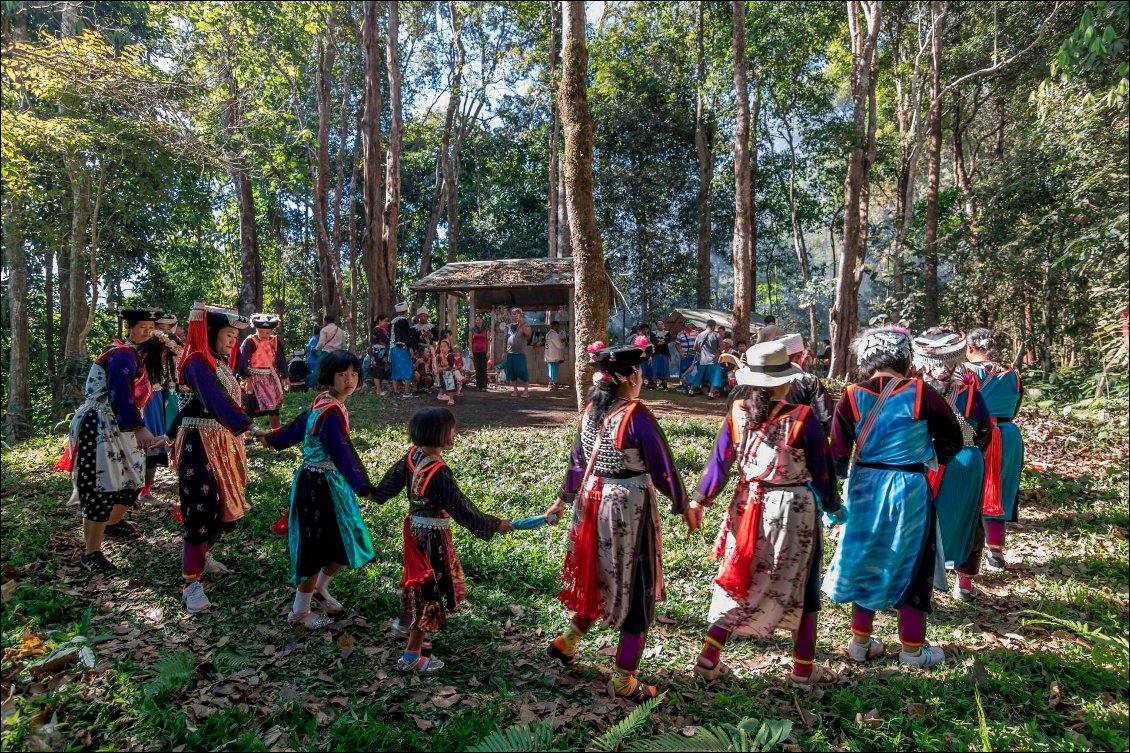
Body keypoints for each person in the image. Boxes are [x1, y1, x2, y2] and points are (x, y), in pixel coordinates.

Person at [542, 340, 698, 702]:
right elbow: (663, 467)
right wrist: (683, 504)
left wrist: (563, 499)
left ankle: (567, 642)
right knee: (636, 586)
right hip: (627, 509)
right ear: (629, 377)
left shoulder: (591, 412)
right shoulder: (635, 414)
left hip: (591, 502)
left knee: (598, 576)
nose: (641, 379)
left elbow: (578, 462)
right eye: (639, 373)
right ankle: (625, 680)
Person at [693, 342, 842, 687]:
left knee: (739, 578)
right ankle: (803, 672)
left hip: (747, 507)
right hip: (794, 511)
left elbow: (720, 462)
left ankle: (708, 658)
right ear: (786, 381)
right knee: (802, 587)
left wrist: (701, 499)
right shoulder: (803, 419)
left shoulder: (738, 412)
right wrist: (833, 505)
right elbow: (822, 472)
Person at [821, 327, 963, 668]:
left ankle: (860, 643)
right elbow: (953, 439)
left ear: (865, 360)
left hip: (864, 486)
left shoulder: (852, 396)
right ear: (904, 358)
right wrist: (928, 459)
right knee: (913, 562)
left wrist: (833, 499)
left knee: (866, 559)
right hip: (909, 488)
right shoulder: (921, 392)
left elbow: (838, 456)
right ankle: (913, 651)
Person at [371, 407, 516, 673]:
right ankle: (411, 657)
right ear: (439, 434)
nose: (454, 434)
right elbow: (461, 508)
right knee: (430, 591)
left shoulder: (413, 456)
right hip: (432, 538)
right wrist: (494, 524)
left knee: (419, 585)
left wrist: (373, 494)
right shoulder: (437, 471)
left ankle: (406, 623)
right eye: (451, 429)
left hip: (415, 532)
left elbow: (388, 485)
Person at [261, 350, 377, 630]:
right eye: (341, 374)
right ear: (329, 377)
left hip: (329, 484)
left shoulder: (325, 403)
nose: (349, 379)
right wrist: (364, 486)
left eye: (353, 373)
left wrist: (273, 439)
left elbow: (299, 427)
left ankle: (320, 589)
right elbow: (342, 451)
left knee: (344, 539)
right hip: (318, 485)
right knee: (314, 546)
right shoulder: (329, 411)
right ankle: (299, 613)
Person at [172, 302, 266, 613]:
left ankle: (203, 554)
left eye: (233, 336)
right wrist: (248, 425)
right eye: (227, 334)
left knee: (227, 507)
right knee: (201, 506)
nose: (231, 341)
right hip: (199, 443)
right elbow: (212, 400)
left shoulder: (216, 362)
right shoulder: (197, 362)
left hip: (223, 441)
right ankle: (191, 584)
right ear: (211, 332)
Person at [68, 307, 163, 573]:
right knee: (101, 484)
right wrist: (139, 427)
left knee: (131, 479)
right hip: (100, 424)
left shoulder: (136, 355)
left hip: (118, 425)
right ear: (129, 328)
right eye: (141, 326)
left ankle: (112, 523)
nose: (147, 331)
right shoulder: (122, 354)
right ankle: (91, 552)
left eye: (150, 326)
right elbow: (121, 394)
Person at [913, 329, 992, 601]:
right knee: (969, 521)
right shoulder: (968, 392)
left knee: (919, 522)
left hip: (924, 460)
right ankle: (965, 583)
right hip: (965, 459)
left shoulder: (912, 390)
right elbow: (984, 431)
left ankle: (919, 583)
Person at [966, 328, 1025, 573]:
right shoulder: (1014, 374)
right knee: (1000, 491)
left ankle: (967, 557)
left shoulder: (967, 373)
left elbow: (962, 407)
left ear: (970, 349)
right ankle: (996, 554)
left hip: (977, 435)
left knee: (970, 494)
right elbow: (1015, 407)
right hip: (1009, 435)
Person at [137, 329, 180, 504]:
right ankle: (133, 489)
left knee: (153, 447)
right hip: (142, 406)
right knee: (138, 447)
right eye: (161, 355)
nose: (164, 359)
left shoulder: (164, 368)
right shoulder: (138, 365)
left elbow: (166, 386)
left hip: (155, 404)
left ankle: (146, 490)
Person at [233, 314, 287, 431]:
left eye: (267, 333)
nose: (264, 335)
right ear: (256, 329)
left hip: (269, 377)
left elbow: (281, 359)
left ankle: (276, 432)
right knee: (248, 405)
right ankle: (246, 434)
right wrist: (246, 377)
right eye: (261, 332)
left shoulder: (275, 341)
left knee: (273, 406)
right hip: (252, 378)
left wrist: (285, 376)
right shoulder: (250, 341)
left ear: (271, 331)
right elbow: (242, 359)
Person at [777, 333, 834, 435]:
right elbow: (826, 418)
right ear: (798, 356)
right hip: (799, 441)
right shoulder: (809, 381)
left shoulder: (760, 381)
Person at [503, 308, 532, 398]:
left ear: (520, 315)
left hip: (520, 353)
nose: (515, 315)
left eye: (517, 314)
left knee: (523, 371)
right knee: (512, 372)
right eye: (513, 314)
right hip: (510, 353)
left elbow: (528, 334)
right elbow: (505, 340)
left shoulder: (525, 325)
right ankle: (515, 390)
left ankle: (526, 391)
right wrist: (503, 352)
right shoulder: (508, 327)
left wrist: (521, 323)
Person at [692, 320, 724, 398]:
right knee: (715, 377)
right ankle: (710, 394)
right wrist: (718, 351)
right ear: (714, 326)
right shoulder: (717, 335)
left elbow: (695, 348)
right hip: (714, 360)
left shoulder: (700, 335)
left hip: (703, 360)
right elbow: (722, 347)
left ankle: (691, 391)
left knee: (699, 375)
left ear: (707, 325)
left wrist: (702, 352)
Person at [390, 302, 416, 398]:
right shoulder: (403, 321)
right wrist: (410, 347)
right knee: (408, 368)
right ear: (405, 311)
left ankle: (396, 391)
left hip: (393, 349)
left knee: (395, 369)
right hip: (401, 348)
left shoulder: (393, 322)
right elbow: (405, 336)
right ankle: (407, 391)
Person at [312, 314, 344, 381]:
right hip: (338, 353)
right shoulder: (340, 330)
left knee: (318, 367)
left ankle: (313, 386)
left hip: (327, 352)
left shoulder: (324, 330)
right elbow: (342, 342)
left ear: (326, 321)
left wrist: (315, 349)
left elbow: (321, 343)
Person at [370, 315, 392, 396]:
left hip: (384, 353)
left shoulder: (384, 330)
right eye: (385, 321)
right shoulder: (376, 329)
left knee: (383, 370)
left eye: (387, 321)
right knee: (377, 370)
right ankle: (378, 391)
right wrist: (385, 343)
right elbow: (379, 340)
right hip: (377, 353)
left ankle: (381, 389)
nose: (386, 322)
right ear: (380, 320)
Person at [649, 320, 672, 390]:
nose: (661, 325)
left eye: (662, 324)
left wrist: (659, 340)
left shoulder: (667, 333)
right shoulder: (653, 333)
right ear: (657, 325)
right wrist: (662, 340)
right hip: (656, 353)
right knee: (655, 368)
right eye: (659, 324)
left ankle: (664, 383)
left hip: (665, 353)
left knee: (665, 368)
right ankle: (654, 383)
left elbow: (667, 341)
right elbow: (654, 341)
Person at [545, 320, 567, 390]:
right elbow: (559, 345)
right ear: (555, 326)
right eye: (558, 326)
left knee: (551, 369)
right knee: (554, 369)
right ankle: (553, 384)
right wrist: (563, 344)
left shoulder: (548, 334)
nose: (559, 328)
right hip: (553, 355)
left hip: (549, 355)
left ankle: (552, 383)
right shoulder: (554, 334)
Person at [470, 314, 490, 392]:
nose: (478, 321)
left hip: (484, 351)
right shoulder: (472, 330)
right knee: (477, 368)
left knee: (483, 368)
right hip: (475, 351)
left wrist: (489, 351)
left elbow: (488, 341)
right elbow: (470, 341)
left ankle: (484, 386)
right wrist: (470, 352)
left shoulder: (486, 330)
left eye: (479, 320)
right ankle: (478, 385)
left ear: (482, 321)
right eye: (477, 320)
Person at [676, 321, 697, 388]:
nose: (691, 326)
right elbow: (677, 344)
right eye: (689, 325)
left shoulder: (696, 333)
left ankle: (690, 384)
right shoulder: (680, 334)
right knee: (684, 369)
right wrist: (680, 353)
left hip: (694, 355)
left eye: (691, 324)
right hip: (685, 355)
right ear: (685, 325)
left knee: (692, 369)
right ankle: (683, 384)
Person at [436, 340, 456, 405]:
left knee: (450, 386)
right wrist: (437, 360)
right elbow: (438, 365)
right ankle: (441, 394)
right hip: (442, 373)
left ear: (449, 348)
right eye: (441, 347)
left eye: (444, 347)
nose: (442, 348)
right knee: (441, 385)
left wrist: (441, 369)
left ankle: (451, 399)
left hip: (448, 374)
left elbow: (450, 367)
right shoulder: (440, 356)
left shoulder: (450, 356)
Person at [305, 326, 321, 391]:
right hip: (313, 361)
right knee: (313, 376)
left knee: (315, 376)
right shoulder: (314, 339)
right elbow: (313, 350)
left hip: (312, 361)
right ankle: (310, 389)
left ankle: (313, 389)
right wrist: (320, 357)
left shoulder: (313, 339)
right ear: (319, 333)